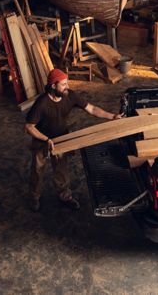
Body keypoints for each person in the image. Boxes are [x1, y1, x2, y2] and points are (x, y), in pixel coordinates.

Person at [24, 69, 122, 212]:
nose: (67, 87)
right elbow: (29, 127)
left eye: (67, 83)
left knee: (61, 170)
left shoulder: (69, 95)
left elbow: (93, 109)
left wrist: (112, 116)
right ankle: (34, 197)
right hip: (42, 141)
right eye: (63, 84)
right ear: (53, 86)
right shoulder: (42, 103)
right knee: (38, 171)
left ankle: (64, 196)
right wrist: (46, 139)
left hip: (61, 139)